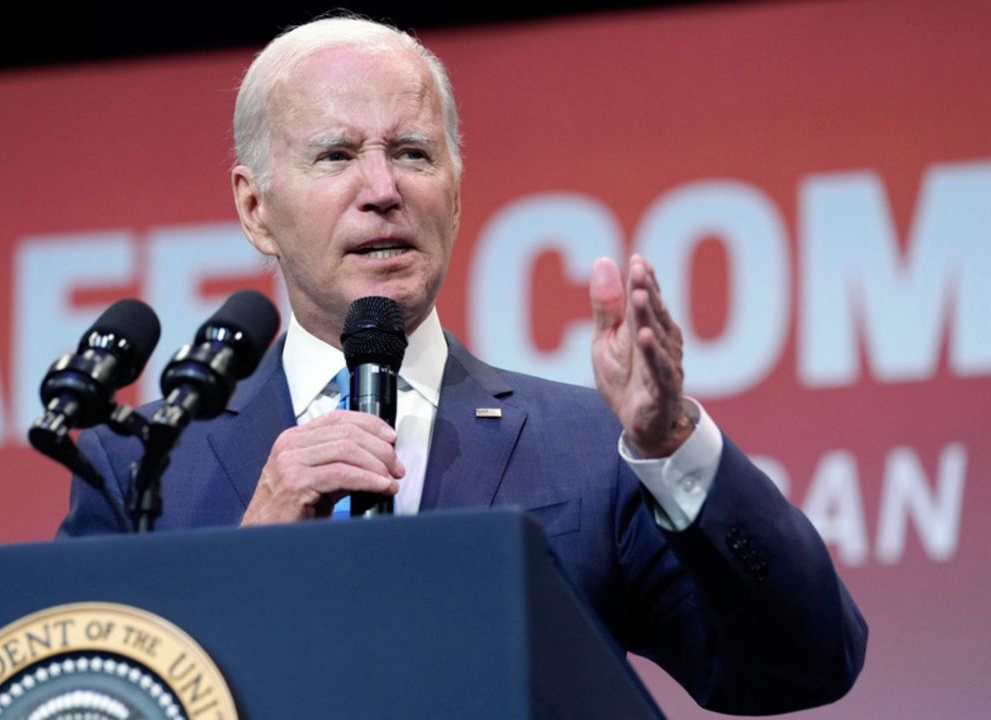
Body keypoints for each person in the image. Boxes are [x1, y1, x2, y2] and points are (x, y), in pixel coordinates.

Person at [58, 16, 866, 714]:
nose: (383, 189)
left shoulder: (589, 448)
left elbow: (804, 663)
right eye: (336, 156)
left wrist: (673, 445)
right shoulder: (141, 466)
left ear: (456, 187)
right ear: (254, 207)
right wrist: (252, 558)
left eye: (412, 152)